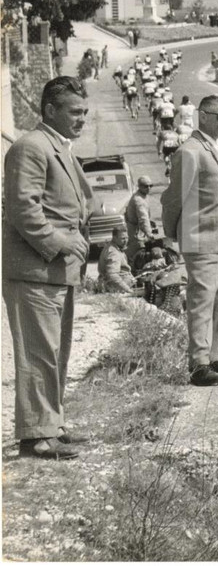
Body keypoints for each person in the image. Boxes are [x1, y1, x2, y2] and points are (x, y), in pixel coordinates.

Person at [2, 76, 93, 460]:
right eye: (75, 112)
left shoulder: (59, 147)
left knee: (56, 352)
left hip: (57, 271)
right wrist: (60, 242)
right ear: (50, 110)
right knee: (38, 354)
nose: (82, 119)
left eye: (85, 112)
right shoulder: (31, 147)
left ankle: (50, 424)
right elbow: (23, 208)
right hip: (35, 270)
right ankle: (37, 435)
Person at [161, 96, 218, 387]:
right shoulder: (190, 151)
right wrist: (171, 233)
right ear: (203, 116)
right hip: (201, 235)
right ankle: (198, 364)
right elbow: (175, 197)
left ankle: (216, 354)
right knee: (201, 298)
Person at [97, 226, 137, 294]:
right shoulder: (113, 253)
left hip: (120, 283)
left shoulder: (114, 246)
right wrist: (128, 290)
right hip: (117, 287)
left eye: (127, 238)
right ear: (115, 238)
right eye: (123, 238)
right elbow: (112, 275)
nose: (126, 241)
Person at [125, 175, 155, 263]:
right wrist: (149, 234)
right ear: (140, 186)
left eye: (151, 186)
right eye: (145, 186)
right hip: (135, 232)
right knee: (137, 255)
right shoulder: (138, 200)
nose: (148, 188)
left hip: (136, 229)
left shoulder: (142, 195)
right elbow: (143, 218)